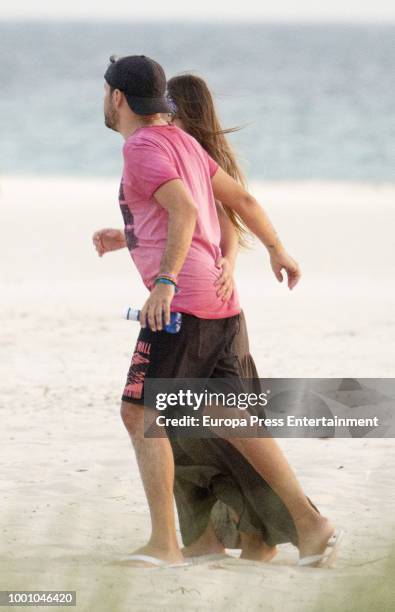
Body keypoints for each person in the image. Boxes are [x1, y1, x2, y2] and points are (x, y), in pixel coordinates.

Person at [96, 54, 337, 568]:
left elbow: (184, 209)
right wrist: (278, 249)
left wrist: (163, 282)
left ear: (118, 98)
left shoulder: (141, 147)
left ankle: (165, 544)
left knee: (141, 412)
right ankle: (311, 525)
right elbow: (240, 203)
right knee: (224, 413)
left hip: (183, 302)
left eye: (105, 92)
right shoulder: (185, 143)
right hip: (223, 305)